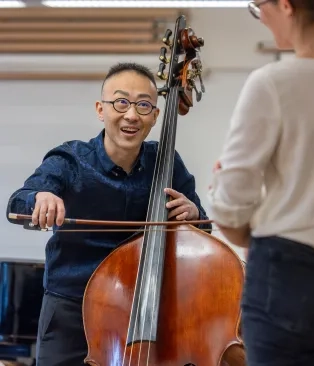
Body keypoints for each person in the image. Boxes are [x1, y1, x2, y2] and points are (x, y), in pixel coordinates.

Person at [6, 62, 212, 366]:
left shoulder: (167, 165)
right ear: (101, 110)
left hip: (143, 310)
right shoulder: (70, 160)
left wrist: (193, 215)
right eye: (121, 102)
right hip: (72, 311)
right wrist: (41, 197)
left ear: (155, 116)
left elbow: (204, 230)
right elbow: (18, 204)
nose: (131, 115)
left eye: (143, 105)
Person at [207, 0, 314, 365]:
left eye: (258, 6)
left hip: (289, 277)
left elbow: (230, 212)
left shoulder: (273, 82)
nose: (259, 16)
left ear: (285, 5)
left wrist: (259, 224)